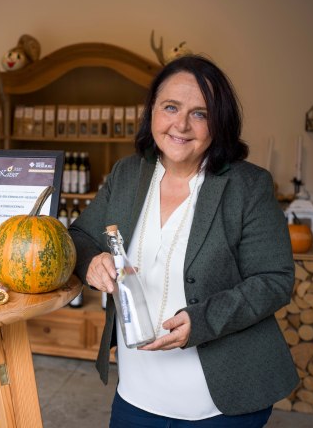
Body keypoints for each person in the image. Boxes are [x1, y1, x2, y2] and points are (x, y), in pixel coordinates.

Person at [69, 54, 298, 427]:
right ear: (152, 112)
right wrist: (92, 261)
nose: (181, 124)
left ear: (218, 124)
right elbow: (78, 236)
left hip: (220, 402)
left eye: (200, 113)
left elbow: (275, 279)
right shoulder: (128, 174)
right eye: (171, 107)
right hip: (137, 394)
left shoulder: (247, 186)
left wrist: (203, 320)